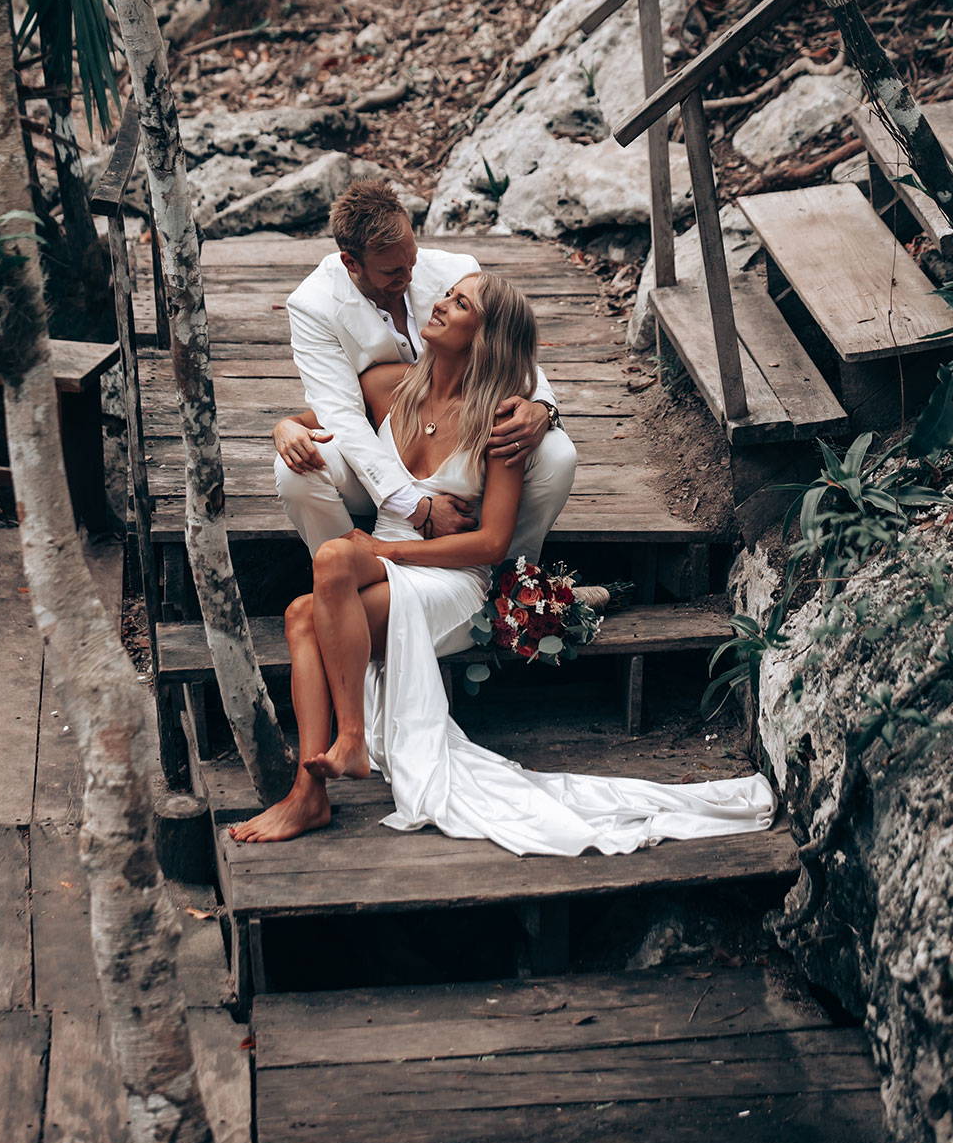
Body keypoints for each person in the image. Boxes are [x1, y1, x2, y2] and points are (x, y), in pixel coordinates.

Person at [230, 271, 776, 852]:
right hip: (391, 566)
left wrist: (384, 548)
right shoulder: (393, 384)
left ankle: (349, 744)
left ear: (485, 336)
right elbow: (328, 415)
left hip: (451, 581)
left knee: (330, 571)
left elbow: (492, 545)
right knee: (299, 612)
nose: (440, 303)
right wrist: (284, 424)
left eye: (460, 303)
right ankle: (311, 791)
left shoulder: (498, 422)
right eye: (447, 294)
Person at [273, 178, 576, 562]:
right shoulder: (313, 306)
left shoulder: (458, 271)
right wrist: (419, 509)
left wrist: (543, 407)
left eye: (411, 262)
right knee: (294, 472)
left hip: (467, 442)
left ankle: (513, 581)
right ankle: (350, 572)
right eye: (392, 272)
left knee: (557, 454)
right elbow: (342, 416)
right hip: (376, 451)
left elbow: (504, 349)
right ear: (352, 263)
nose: (409, 278)